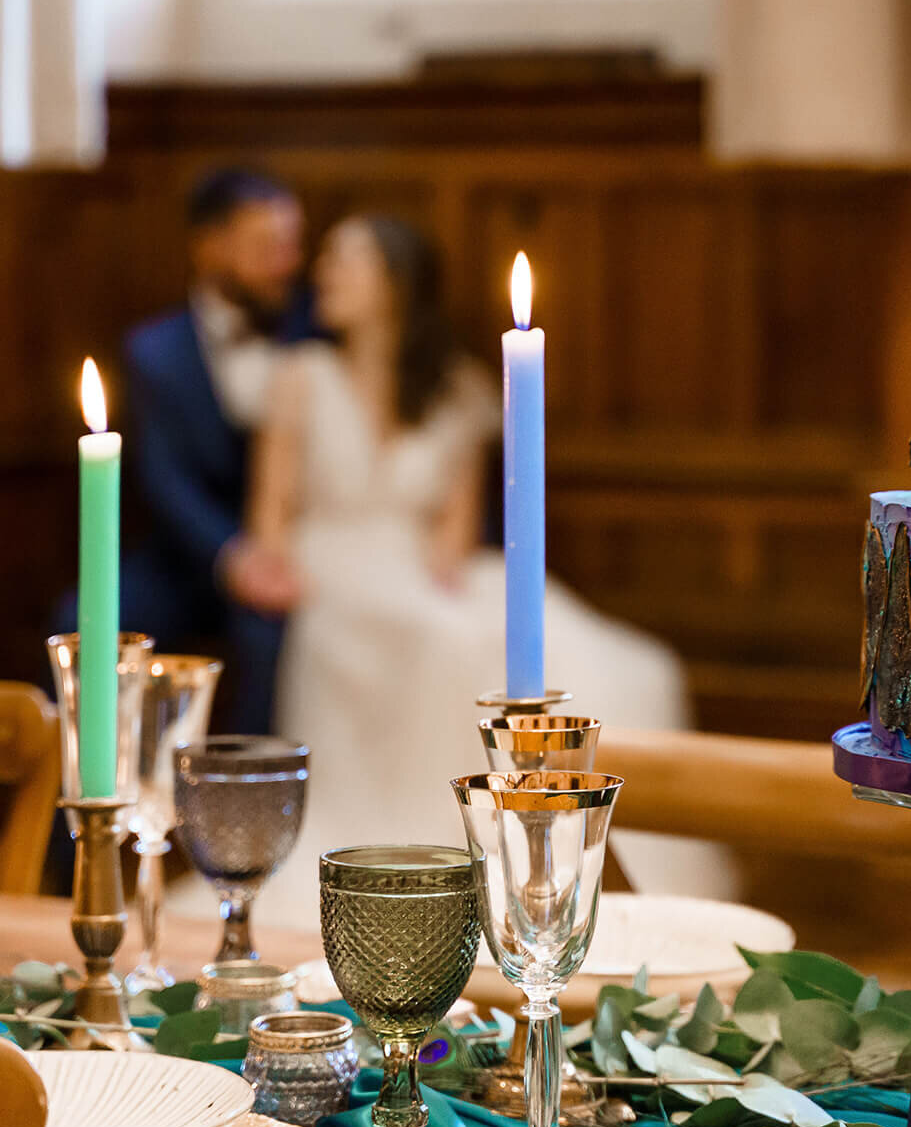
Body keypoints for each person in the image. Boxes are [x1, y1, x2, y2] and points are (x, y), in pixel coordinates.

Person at [195, 215, 690, 930]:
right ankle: (457, 848)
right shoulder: (300, 375)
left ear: (395, 281)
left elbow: (456, 530)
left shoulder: (454, 387)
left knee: (624, 663)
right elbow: (269, 514)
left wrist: (437, 578)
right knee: (444, 641)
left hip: (419, 566)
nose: (326, 272)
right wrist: (275, 567)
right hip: (327, 563)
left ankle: (582, 865)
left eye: (346, 259)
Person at [118, 168, 318, 733]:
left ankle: (248, 811)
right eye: (266, 246)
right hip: (189, 556)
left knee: (276, 635)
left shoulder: (321, 330)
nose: (287, 262)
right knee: (87, 621)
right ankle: (79, 813)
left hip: (296, 553)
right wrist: (231, 557)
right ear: (209, 247)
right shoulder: (153, 351)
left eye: (292, 244)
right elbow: (163, 478)